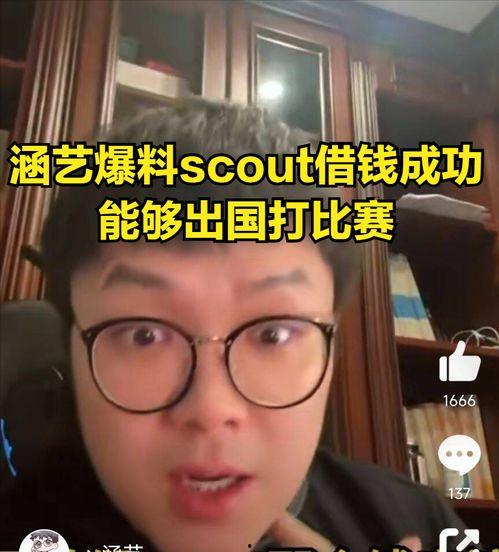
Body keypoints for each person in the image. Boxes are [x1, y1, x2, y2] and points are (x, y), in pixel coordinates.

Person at [1, 99, 467, 552]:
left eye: (272, 334)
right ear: (70, 350)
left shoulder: (418, 525)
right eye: (144, 335)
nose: (211, 409)